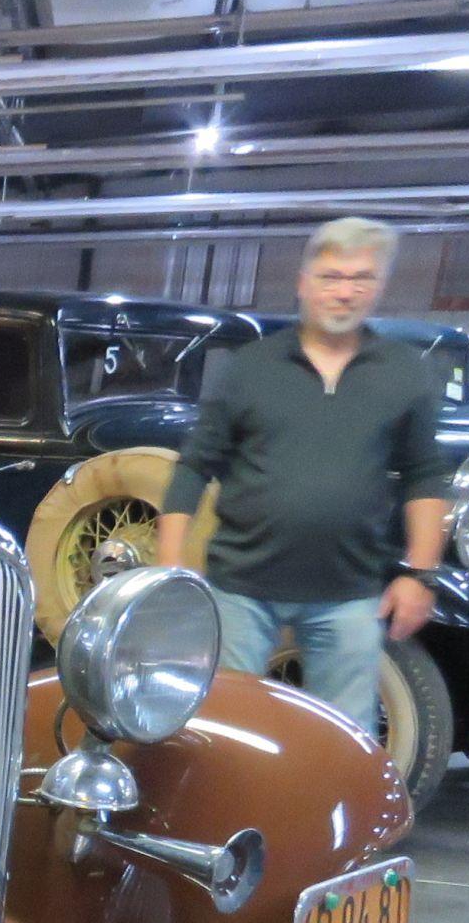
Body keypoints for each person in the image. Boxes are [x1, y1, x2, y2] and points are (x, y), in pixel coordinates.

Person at [156, 218, 450, 732]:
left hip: (352, 594)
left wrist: (420, 575)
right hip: (240, 591)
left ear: (378, 287)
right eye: (331, 277)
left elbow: (424, 474)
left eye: (360, 279)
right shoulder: (250, 368)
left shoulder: (405, 372)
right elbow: (193, 467)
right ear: (303, 282)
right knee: (226, 733)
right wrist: (170, 573)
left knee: (344, 740)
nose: (344, 292)